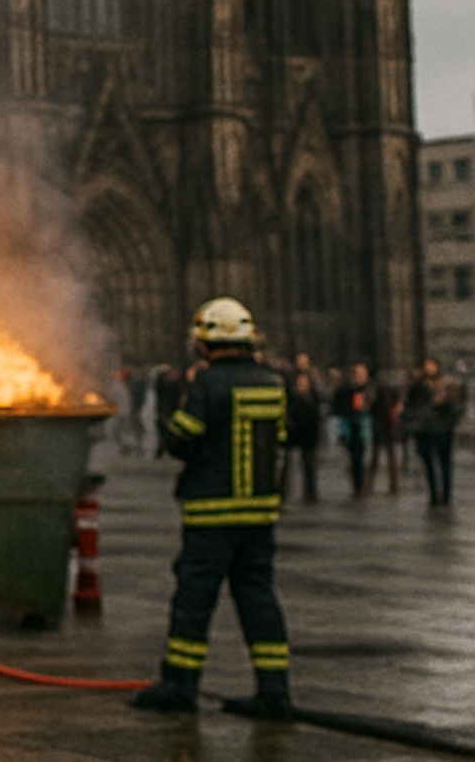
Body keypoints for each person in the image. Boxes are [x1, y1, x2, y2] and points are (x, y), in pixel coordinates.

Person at [131, 297, 292, 720]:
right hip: (259, 513)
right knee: (258, 598)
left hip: (212, 512)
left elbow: (183, 439)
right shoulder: (272, 382)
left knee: (194, 599)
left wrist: (170, 419)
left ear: (205, 342)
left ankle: (180, 684)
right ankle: (274, 689)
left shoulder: (208, 383)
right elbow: (285, 433)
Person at [405, 359, 464, 507]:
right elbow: (409, 407)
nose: (429, 368)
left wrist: (448, 417)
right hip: (424, 429)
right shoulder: (417, 387)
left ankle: (446, 495)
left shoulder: (448, 385)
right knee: (428, 464)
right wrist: (415, 421)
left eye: (432, 366)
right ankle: (433, 495)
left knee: (445, 463)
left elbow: (457, 407)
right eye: (426, 366)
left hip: (443, 429)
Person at [283, 359, 323, 503]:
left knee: (310, 465)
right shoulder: (293, 396)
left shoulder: (313, 395)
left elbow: (317, 412)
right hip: (295, 432)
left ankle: (310, 492)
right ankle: (284, 493)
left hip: (309, 434)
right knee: (288, 465)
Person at [331, 362, 372, 494]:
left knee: (361, 456)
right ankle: (357, 484)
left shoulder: (368, 388)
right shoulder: (347, 389)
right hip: (351, 425)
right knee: (356, 457)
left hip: (364, 424)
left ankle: (360, 483)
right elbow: (338, 407)